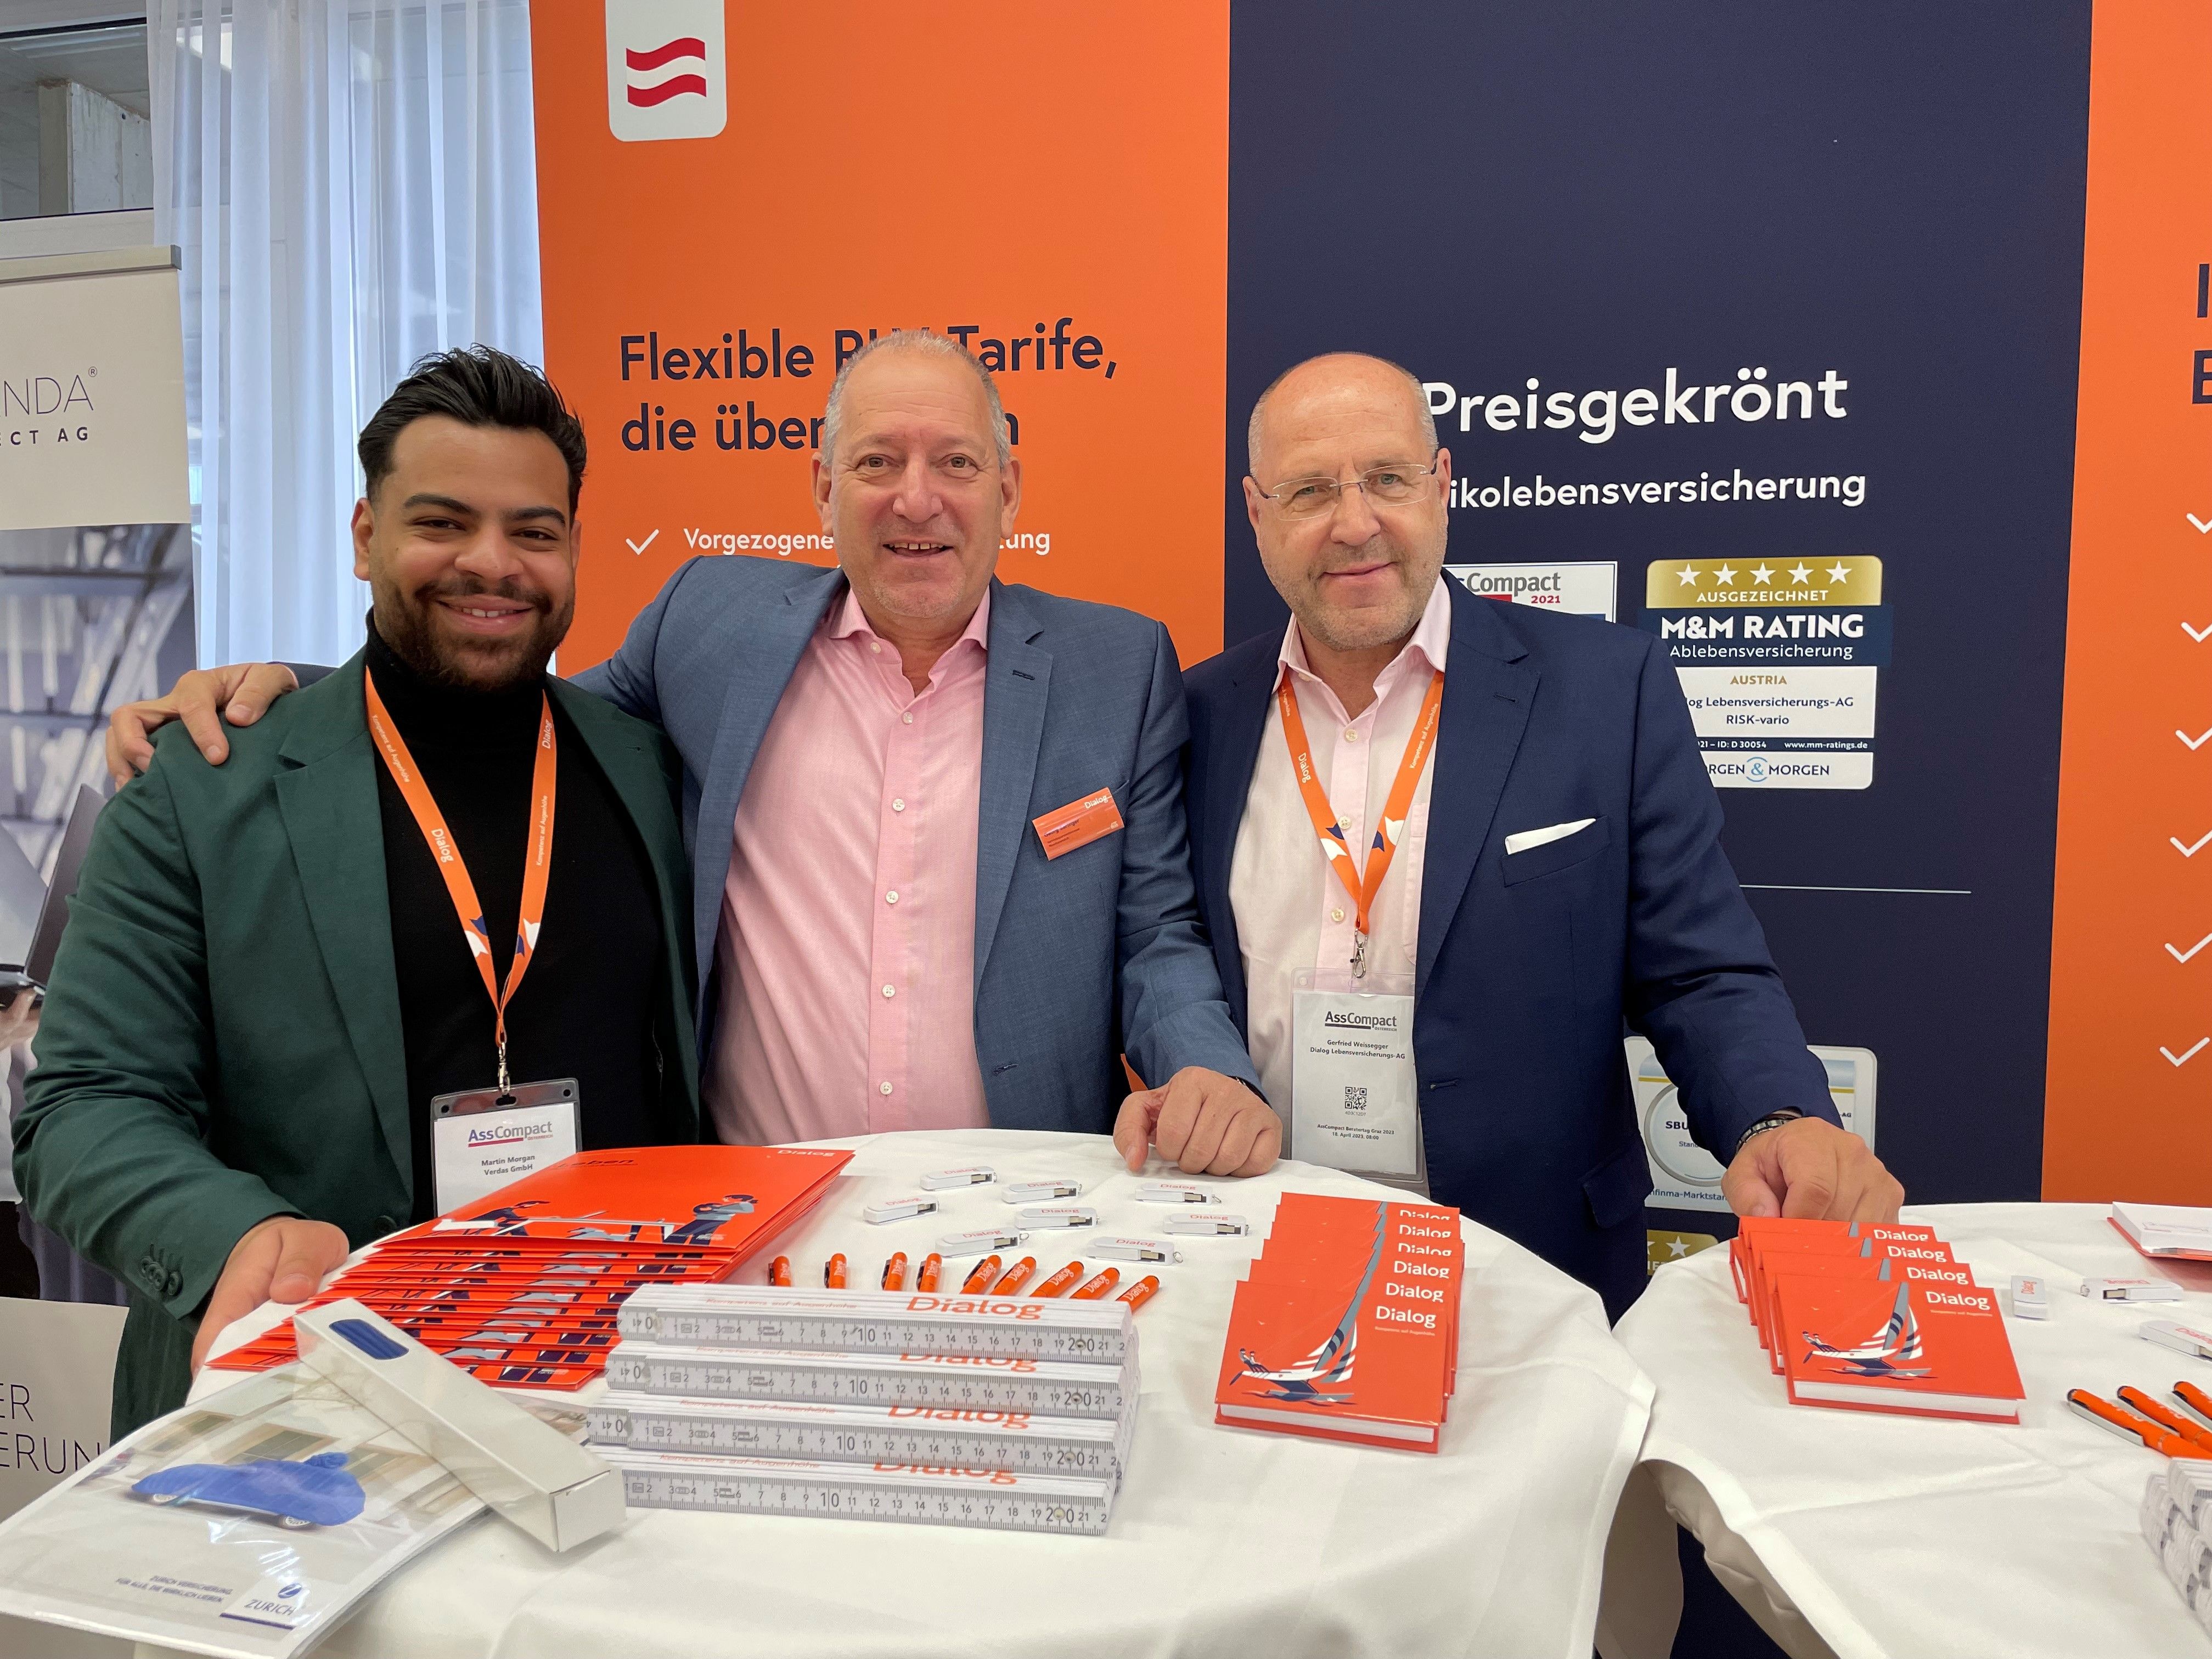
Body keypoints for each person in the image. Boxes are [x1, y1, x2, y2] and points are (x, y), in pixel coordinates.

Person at [106, 331, 1280, 1180]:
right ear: (821, 487)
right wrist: (292, 693)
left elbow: (1157, 931)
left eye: (957, 464)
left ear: (1009, 489)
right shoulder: (710, 625)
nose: (916, 500)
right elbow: (500, 713)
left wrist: (1206, 1066)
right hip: (751, 1218)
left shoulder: (1115, 668)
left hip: (1015, 1213)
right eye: (876, 462)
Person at [17, 347, 702, 1434]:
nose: (492, 563)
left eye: (533, 531)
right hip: (310, 1393)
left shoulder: (647, 767)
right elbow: (82, 1104)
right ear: (363, 536)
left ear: (574, 547)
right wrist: (236, 1236)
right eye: (442, 523)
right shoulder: (202, 788)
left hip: (611, 1381)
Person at [1183, 352, 1901, 1318]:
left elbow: (1699, 972)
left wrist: (1776, 1117)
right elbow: (1167, 949)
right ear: (1256, 512)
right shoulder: (1201, 714)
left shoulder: (1606, 690)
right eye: (1310, 490)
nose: (1354, 524)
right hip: (1261, 1250)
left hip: (1530, 1268)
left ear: (1442, 485)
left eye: (1388, 478)